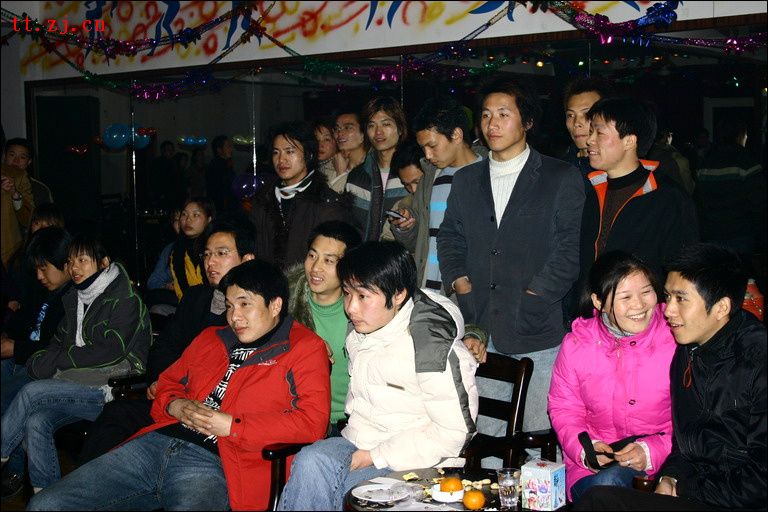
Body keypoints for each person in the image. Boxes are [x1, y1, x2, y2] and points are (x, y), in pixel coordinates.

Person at [28, 259, 331, 511]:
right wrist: (175, 404)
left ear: (275, 305)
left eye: (244, 304)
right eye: (229, 305)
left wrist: (233, 426)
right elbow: (168, 382)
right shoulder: (212, 338)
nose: (234, 316)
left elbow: (312, 423)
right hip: (157, 442)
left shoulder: (305, 348)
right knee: (45, 504)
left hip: (219, 461)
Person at [277, 241, 479, 511]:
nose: (351, 308)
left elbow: (453, 433)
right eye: (347, 294)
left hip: (418, 461)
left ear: (398, 294)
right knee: (311, 459)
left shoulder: (431, 346)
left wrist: (376, 455)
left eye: (363, 296)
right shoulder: (363, 331)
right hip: (359, 441)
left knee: (347, 491)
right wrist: (365, 453)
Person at [437, 79, 585, 442]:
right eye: (486, 115)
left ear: (527, 121)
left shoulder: (559, 176)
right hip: (480, 326)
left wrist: (534, 296)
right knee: (486, 437)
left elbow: (568, 250)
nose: (493, 123)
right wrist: (460, 282)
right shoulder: (466, 179)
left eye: (504, 114)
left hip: (536, 329)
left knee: (534, 440)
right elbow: (450, 236)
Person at [574, 243, 766, 511]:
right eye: (667, 296)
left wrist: (685, 487)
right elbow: (685, 444)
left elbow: (760, 481)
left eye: (681, 299)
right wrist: (669, 477)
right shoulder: (688, 352)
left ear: (721, 307)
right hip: (697, 492)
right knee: (598, 499)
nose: (667, 310)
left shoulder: (756, 360)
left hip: (742, 502)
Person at [78, 221, 256, 464]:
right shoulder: (195, 297)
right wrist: (160, 381)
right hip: (172, 398)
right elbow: (164, 347)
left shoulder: (255, 311)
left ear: (247, 260)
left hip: (212, 413)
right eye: (206, 255)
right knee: (116, 414)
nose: (210, 262)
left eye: (221, 253)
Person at [1, 234, 151, 493]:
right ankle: (45, 497)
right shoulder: (76, 298)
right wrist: (42, 362)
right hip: (81, 383)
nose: (74, 268)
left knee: (30, 392)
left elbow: (110, 352)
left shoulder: (125, 299)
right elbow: (55, 344)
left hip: (117, 387)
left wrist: (57, 362)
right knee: (36, 421)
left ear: (103, 263)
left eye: (82, 260)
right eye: (70, 261)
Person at [548, 251, 675, 502]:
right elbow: (564, 408)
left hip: (666, 463)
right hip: (593, 469)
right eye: (625, 297)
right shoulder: (577, 345)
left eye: (647, 292)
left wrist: (651, 452)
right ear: (598, 301)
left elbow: (694, 418)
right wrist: (586, 449)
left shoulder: (675, 337)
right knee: (606, 488)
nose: (639, 305)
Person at [580, 97, 699, 286]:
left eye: (599, 132)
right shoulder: (590, 190)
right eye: (590, 132)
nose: (589, 140)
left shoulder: (668, 199)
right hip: (592, 302)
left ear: (629, 141)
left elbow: (682, 271)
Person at [1, 227, 72, 499]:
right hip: (26, 358)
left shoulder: (72, 297)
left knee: (12, 398)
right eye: (37, 270)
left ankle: (15, 469)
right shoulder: (44, 289)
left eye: (45, 269)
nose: (40, 276)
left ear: (64, 263)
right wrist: (8, 336)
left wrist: (16, 348)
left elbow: (58, 350)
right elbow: (24, 321)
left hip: (48, 368)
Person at [392, 96, 485, 293]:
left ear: (456, 135)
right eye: (423, 148)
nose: (427, 155)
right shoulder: (429, 178)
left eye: (432, 146)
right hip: (427, 290)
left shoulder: (488, 175)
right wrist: (407, 227)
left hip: (465, 291)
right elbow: (418, 241)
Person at [286, 220, 361, 435]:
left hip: (349, 423)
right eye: (312, 255)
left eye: (329, 260)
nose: (315, 267)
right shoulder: (283, 300)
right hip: (295, 415)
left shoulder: (364, 309)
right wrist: (306, 342)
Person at [250, 121, 350, 269]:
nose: (281, 160)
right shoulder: (263, 199)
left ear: (309, 155)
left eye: (289, 151)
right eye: (276, 152)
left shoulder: (327, 202)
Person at [694, 116, 766, 258]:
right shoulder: (747, 161)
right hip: (740, 235)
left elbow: (699, 200)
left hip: (711, 233)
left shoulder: (706, 162)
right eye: (745, 134)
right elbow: (759, 201)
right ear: (740, 135)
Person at [345, 97, 409, 240]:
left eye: (386, 124)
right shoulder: (356, 177)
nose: (378, 132)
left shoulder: (412, 174)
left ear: (400, 129)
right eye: (371, 125)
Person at [562, 77, 615, 177]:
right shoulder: (559, 169)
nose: (576, 123)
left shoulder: (621, 169)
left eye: (586, 114)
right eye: (570, 115)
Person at [170, 197, 214, 301]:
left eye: (196, 215)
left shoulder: (214, 249)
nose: (188, 219)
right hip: (190, 306)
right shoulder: (177, 252)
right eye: (184, 214)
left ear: (208, 220)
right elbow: (181, 293)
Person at [1, 137, 35, 266]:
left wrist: (15, 194)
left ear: (29, 161)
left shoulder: (21, 178)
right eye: (12, 155)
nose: (16, 161)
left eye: (22, 157)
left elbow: (29, 219)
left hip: (9, 249)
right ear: (4, 156)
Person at [144, 207, 181, 315]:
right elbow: (153, 281)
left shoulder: (205, 246)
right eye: (176, 220)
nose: (180, 223)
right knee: (155, 309)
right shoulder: (170, 249)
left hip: (199, 304)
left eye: (184, 217)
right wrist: (167, 285)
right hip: (176, 303)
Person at [330, 111, 368, 193]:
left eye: (347, 128)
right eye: (336, 129)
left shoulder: (373, 166)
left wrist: (341, 174)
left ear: (363, 134)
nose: (340, 133)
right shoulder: (330, 166)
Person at [206, 135, 236, 213]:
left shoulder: (226, 164)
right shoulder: (216, 166)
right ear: (219, 150)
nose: (231, 149)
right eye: (228, 146)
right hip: (221, 207)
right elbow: (221, 189)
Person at [147, 140, 176, 211]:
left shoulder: (173, 163)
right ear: (163, 151)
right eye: (168, 150)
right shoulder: (157, 163)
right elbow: (153, 179)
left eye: (172, 150)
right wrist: (159, 194)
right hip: (160, 195)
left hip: (171, 195)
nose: (171, 152)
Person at [314, 119, 340, 187]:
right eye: (316, 140)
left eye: (326, 139)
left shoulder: (340, 167)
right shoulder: (310, 167)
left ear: (337, 142)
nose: (320, 145)